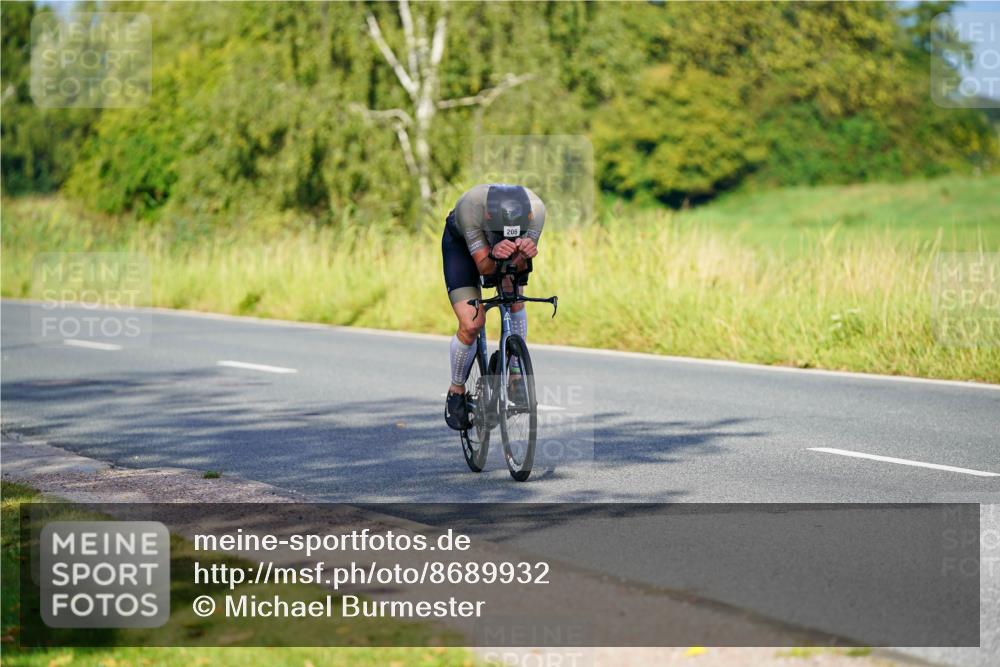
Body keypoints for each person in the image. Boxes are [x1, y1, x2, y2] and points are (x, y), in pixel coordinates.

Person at [442, 184, 545, 430]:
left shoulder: (537, 210)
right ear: (488, 215)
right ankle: (456, 389)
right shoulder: (471, 209)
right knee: (472, 323)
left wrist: (524, 254)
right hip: (463, 249)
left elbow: (520, 266)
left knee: (514, 299)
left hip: (503, 250)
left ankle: (516, 373)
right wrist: (494, 253)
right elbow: (485, 268)